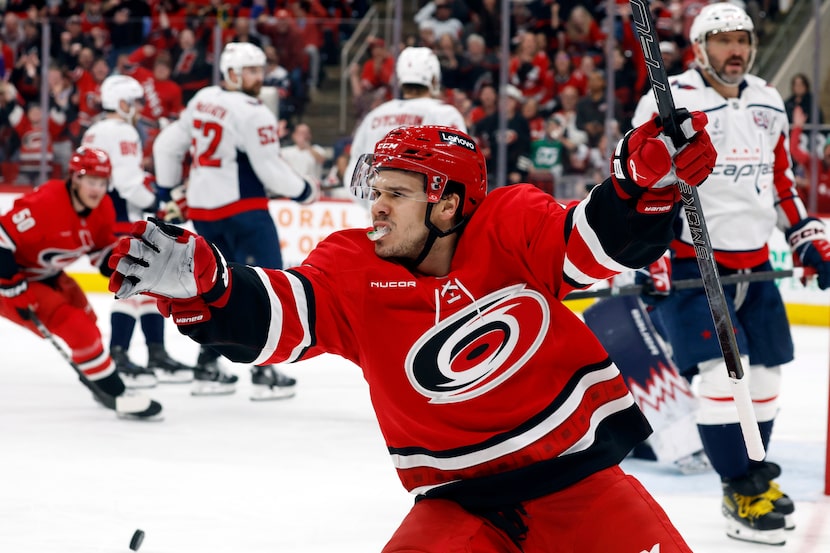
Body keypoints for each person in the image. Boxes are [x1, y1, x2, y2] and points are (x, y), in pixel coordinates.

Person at [108, 117, 716, 551]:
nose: (377, 208)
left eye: (396, 194)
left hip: (582, 489)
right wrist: (206, 284)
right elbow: (280, 315)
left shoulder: (510, 224)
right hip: (457, 509)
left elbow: (594, 242)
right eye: (376, 193)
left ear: (448, 203)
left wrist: (641, 187)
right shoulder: (352, 269)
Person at [631, 3, 830, 546]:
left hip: (755, 262)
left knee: (765, 381)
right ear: (700, 48)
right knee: (722, 381)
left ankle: (754, 480)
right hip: (693, 260)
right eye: (723, 41)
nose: (735, 50)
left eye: (743, 39)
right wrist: (651, 256)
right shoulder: (670, 101)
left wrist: (805, 236)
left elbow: (782, 182)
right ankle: (739, 487)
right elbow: (642, 186)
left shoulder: (768, 99)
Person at [152, 42, 318, 400]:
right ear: (232, 73)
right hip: (244, 209)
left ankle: (206, 366)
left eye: (260, 70)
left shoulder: (202, 99)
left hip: (203, 211)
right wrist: (305, 190)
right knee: (271, 284)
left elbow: (166, 145)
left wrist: (166, 191)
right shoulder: (253, 111)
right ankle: (264, 371)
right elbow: (269, 168)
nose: (259, 77)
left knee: (214, 288)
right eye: (252, 71)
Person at [0, 147, 162, 420]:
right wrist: (8, 283)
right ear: (75, 178)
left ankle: (95, 378)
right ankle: (115, 393)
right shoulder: (47, 202)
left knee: (89, 321)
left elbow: (99, 254)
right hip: (15, 280)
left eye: (101, 182)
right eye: (90, 181)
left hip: (49, 275)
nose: (96, 189)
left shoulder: (103, 208)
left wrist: (128, 268)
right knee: (78, 329)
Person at [83, 74, 194, 388]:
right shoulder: (121, 130)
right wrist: (158, 202)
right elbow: (129, 180)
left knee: (143, 285)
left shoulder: (94, 130)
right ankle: (120, 353)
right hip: (121, 214)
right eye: (132, 101)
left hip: (104, 214)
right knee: (133, 283)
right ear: (120, 102)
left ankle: (154, 353)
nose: (136, 108)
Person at [343, 46, 466, 186]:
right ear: (433, 79)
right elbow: (458, 168)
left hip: (377, 204)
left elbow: (354, 172)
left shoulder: (374, 116)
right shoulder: (444, 114)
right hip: (422, 203)